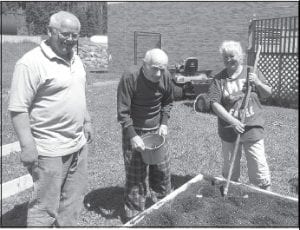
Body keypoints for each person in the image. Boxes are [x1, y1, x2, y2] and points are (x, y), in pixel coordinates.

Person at [8, 11, 93, 226]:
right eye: (65, 34)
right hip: (49, 151)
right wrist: (27, 146)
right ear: (49, 31)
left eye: (75, 35)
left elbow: (79, 92)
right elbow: (18, 108)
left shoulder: (76, 58)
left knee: (73, 202)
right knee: (44, 208)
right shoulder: (30, 63)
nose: (71, 40)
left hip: (78, 146)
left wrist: (87, 120)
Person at [117, 48, 173, 222]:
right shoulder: (130, 77)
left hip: (156, 131)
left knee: (162, 171)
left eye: (162, 69)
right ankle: (135, 217)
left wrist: (163, 123)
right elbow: (123, 113)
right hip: (135, 131)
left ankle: (164, 208)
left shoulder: (165, 76)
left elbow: (168, 102)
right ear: (144, 64)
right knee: (136, 176)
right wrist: (133, 136)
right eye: (154, 68)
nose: (158, 74)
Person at [208, 40, 272, 191]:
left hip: (252, 129)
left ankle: (266, 198)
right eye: (225, 57)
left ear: (240, 56)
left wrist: (257, 82)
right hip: (229, 130)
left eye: (232, 56)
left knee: (259, 169)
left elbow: (267, 94)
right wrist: (233, 122)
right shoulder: (219, 79)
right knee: (230, 170)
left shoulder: (252, 72)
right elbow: (214, 104)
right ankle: (231, 196)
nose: (228, 60)